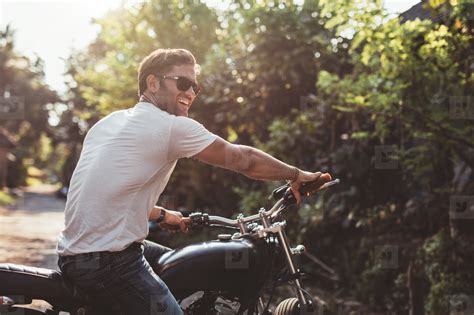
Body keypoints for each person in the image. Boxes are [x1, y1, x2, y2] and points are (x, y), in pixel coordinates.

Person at [56, 48, 325, 315]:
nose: (190, 93)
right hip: (109, 260)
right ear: (152, 83)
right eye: (183, 83)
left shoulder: (108, 123)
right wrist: (297, 175)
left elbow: (105, 193)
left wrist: (161, 214)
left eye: (195, 88)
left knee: (177, 265)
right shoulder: (170, 126)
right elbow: (243, 160)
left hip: (79, 254)